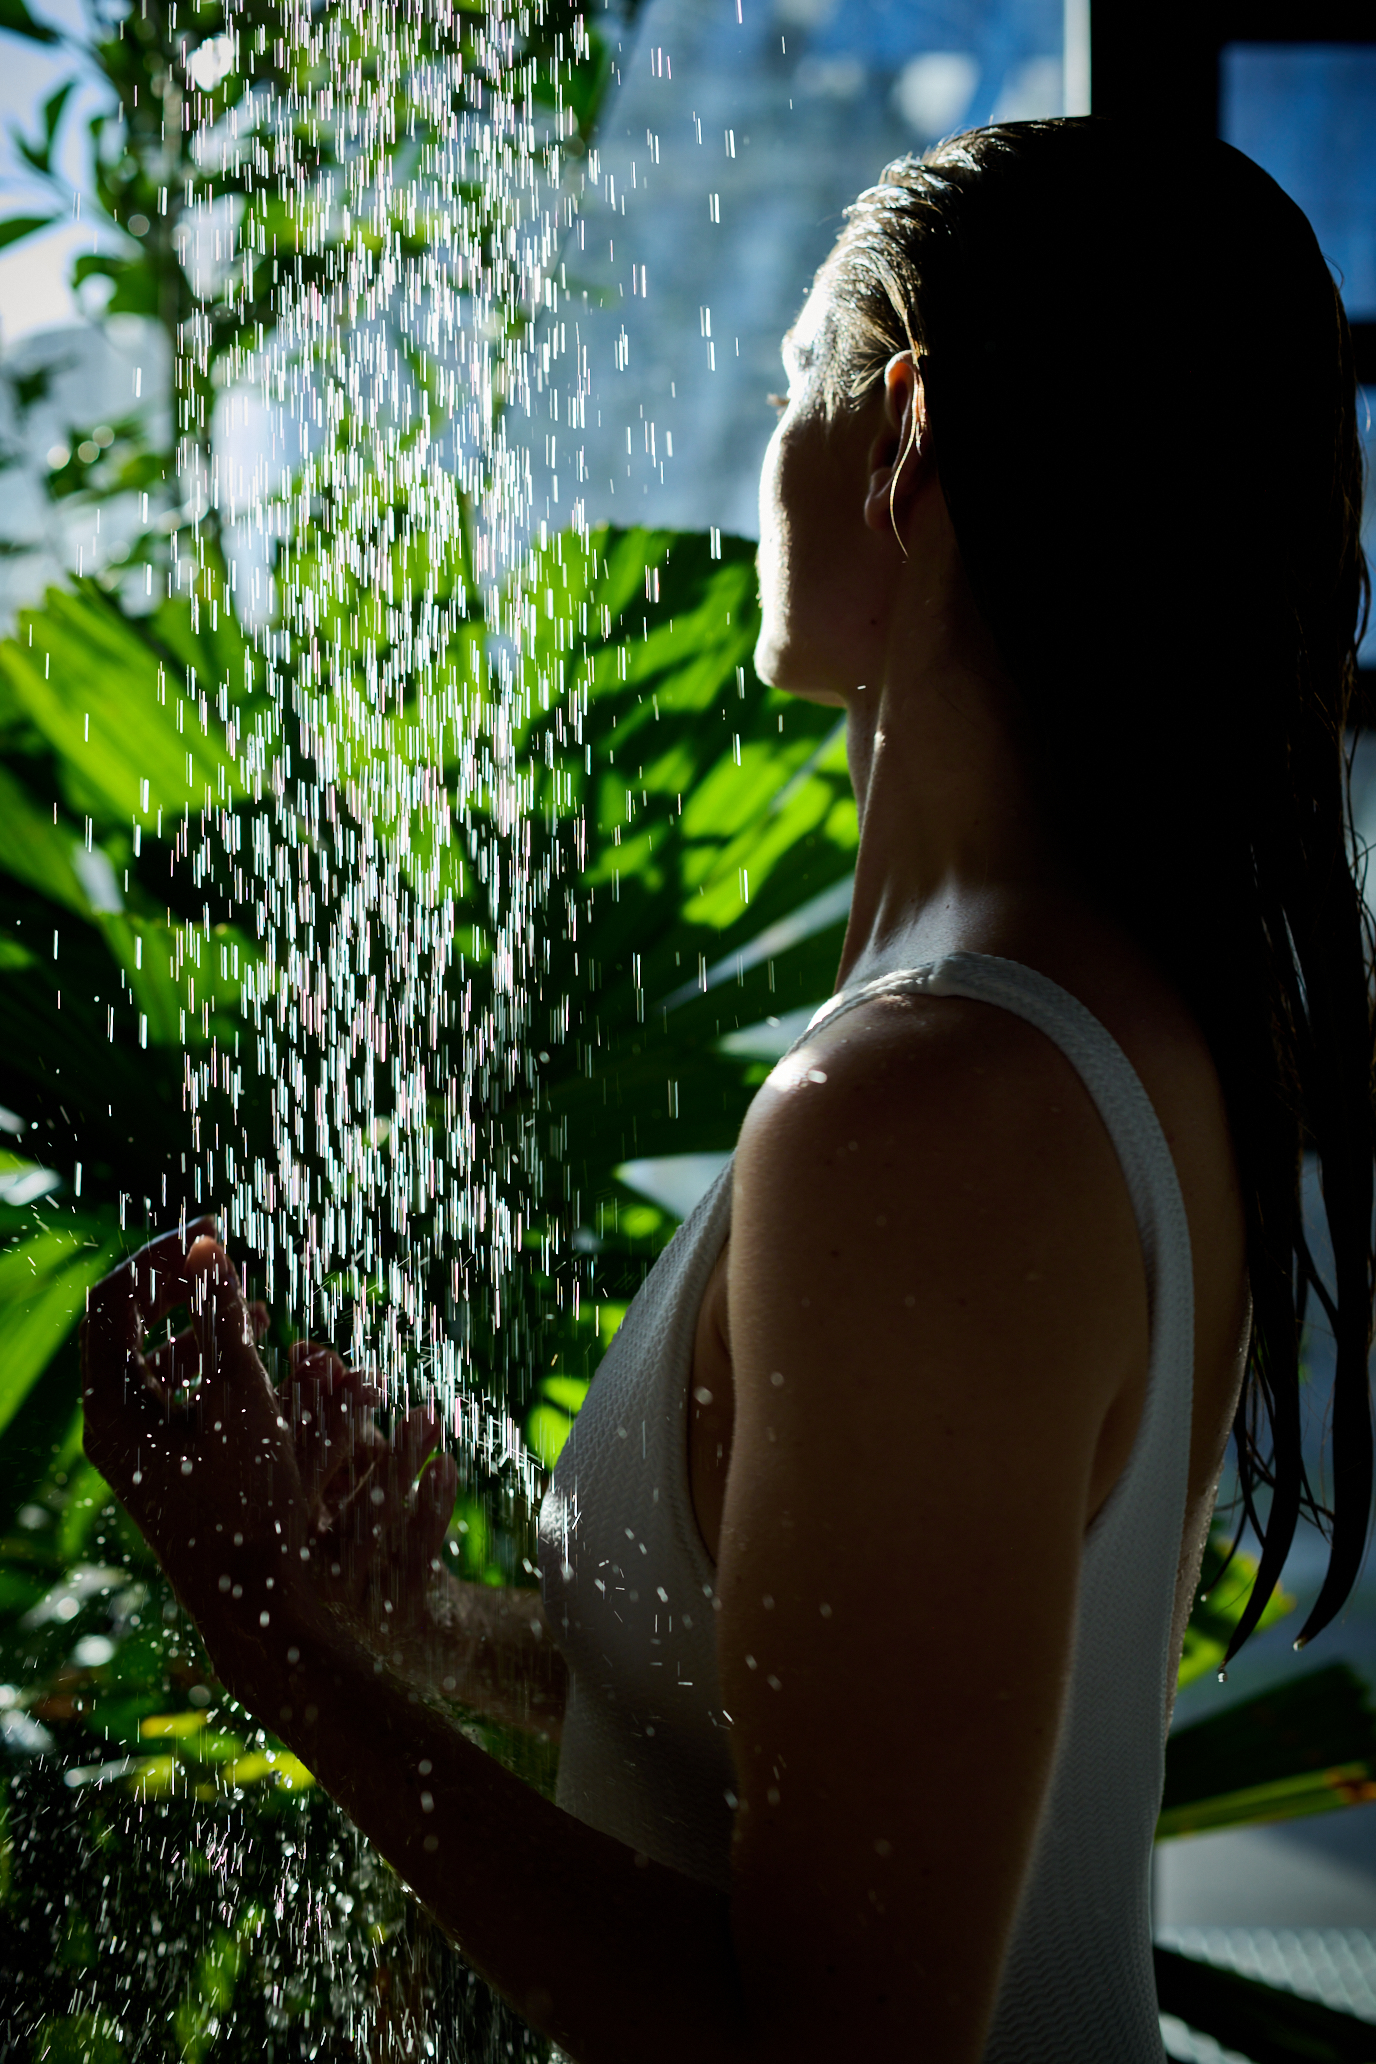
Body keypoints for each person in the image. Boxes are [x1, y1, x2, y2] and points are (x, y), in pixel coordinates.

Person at [82, 118, 1373, 2063]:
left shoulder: (938, 1109)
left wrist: (265, 1640)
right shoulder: (1060, 1030)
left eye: (794, 389)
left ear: (900, 433)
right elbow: (814, 1745)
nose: (762, 462)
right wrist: (411, 1628)